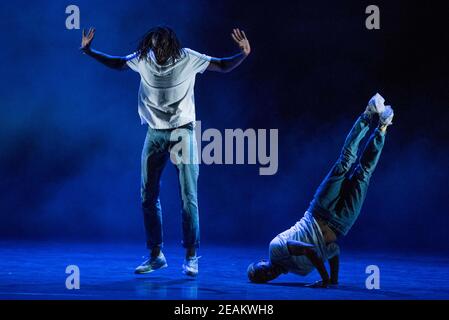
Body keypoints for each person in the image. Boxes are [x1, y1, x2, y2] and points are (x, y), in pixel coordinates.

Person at [80, 26, 251, 277]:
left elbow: (223, 66)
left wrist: (243, 54)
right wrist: (89, 51)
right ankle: (155, 255)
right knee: (147, 195)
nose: (157, 52)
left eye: (161, 47)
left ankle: (191, 256)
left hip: (183, 133)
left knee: (188, 196)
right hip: (154, 134)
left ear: (171, 46)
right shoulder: (143, 58)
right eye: (154, 47)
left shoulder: (188, 57)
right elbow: (118, 64)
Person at [247, 94, 394, 287]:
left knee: (344, 163)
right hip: (341, 224)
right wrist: (333, 280)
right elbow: (333, 250)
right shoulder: (301, 272)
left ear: (261, 261)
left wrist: (325, 279)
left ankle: (368, 114)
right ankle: (382, 127)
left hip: (320, 211)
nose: (268, 273)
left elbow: (310, 250)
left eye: (262, 270)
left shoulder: (275, 249)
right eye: (265, 277)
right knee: (364, 174)